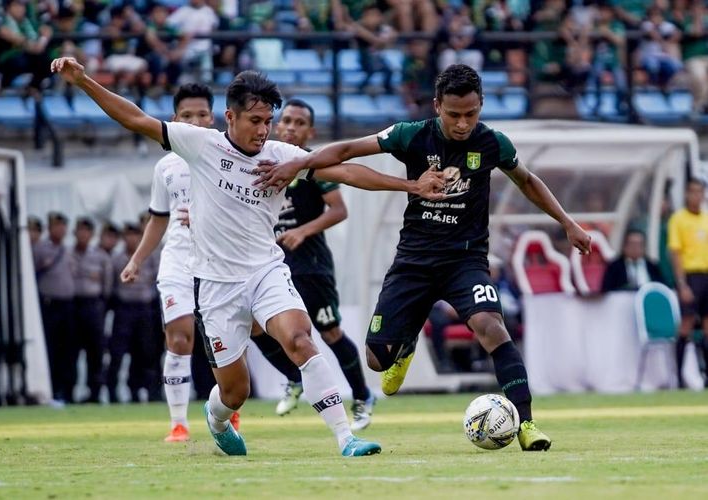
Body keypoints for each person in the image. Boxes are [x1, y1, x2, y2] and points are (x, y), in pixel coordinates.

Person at [51, 56, 445, 457]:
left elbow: (345, 172)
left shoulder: (282, 154)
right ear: (229, 117)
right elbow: (135, 119)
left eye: (268, 121)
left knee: (300, 339)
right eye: (254, 120)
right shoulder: (200, 144)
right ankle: (216, 417)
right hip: (217, 286)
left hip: (265, 272)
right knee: (235, 391)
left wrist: (410, 185)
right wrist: (84, 81)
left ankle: (346, 438)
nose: (263, 130)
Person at [254, 64, 593, 452]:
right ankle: (405, 345)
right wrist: (300, 161)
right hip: (413, 261)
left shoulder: (493, 143)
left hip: (465, 261)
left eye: (471, 113)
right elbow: (348, 151)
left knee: (491, 327)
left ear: (481, 105)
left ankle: (527, 423)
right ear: (436, 106)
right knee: (377, 360)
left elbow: (528, 181)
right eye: (454, 115)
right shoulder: (411, 135)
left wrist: (567, 222)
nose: (463, 123)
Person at [120, 83, 239, 442]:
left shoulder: (230, 156)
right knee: (180, 337)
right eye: (187, 115)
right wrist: (137, 259)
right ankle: (178, 423)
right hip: (178, 262)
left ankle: (230, 410)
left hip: (221, 261)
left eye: (202, 114)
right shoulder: (167, 166)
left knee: (226, 341)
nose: (196, 121)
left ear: (214, 117)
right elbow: (159, 217)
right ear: (175, 120)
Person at [249, 99, 375, 430]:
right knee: (255, 326)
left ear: (310, 131)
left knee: (328, 330)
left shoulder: (314, 166)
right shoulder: (261, 161)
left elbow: (338, 210)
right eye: (286, 120)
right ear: (277, 125)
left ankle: (362, 396)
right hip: (271, 264)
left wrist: (302, 231)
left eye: (299, 123)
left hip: (311, 265)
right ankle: (294, 378)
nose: (291, 127)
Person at [108, 222, 159, 403]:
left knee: (145, 352)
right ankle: (112, 392)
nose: (131, 238)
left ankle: (145, 391)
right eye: (128, 235)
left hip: (144, 309)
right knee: (118, 352)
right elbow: (110, 285)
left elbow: (155, 280)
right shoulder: (117, 258)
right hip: (124, 309)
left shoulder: (149, 257)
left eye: (135, 235)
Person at [668, 178, 708, 388]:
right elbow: (675, 252)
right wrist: (682, 283)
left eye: (699, 192)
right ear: (686, 194)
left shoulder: (706, 218)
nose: (696, 196)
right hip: (691, 277)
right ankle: (679, 378)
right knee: (686, 325)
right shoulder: (679, 219)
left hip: (707, 275)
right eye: (692, 191)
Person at [32, 211, 76, 404]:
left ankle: (68, 390)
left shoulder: (67, 250)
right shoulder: (40, 249)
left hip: (68, 305)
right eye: (56, 226)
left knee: (68, 350)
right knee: (52, 349)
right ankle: (53, 389)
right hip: (50, 304)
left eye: (63, 226)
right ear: (49, 228)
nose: (60, 229)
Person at [71, 217, 113, 403]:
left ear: (91, 234)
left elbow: (107, 284)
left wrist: (102, 304)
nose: (82, 234)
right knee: (71, 350)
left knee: (95, 351)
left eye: (86, 231)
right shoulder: (68, 253)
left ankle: (94, 392)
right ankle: (68, 390)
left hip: (94, 305)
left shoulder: (100, 256)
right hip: (73, 306)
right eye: (80, 230)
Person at [601, 229, 664, 293]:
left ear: (644, 247)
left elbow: (662, 287)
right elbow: (607, 290)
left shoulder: (652, 266)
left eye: (639, 244)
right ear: (624, 246)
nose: (635, 248)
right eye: (632, 244)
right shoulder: (614, 267)